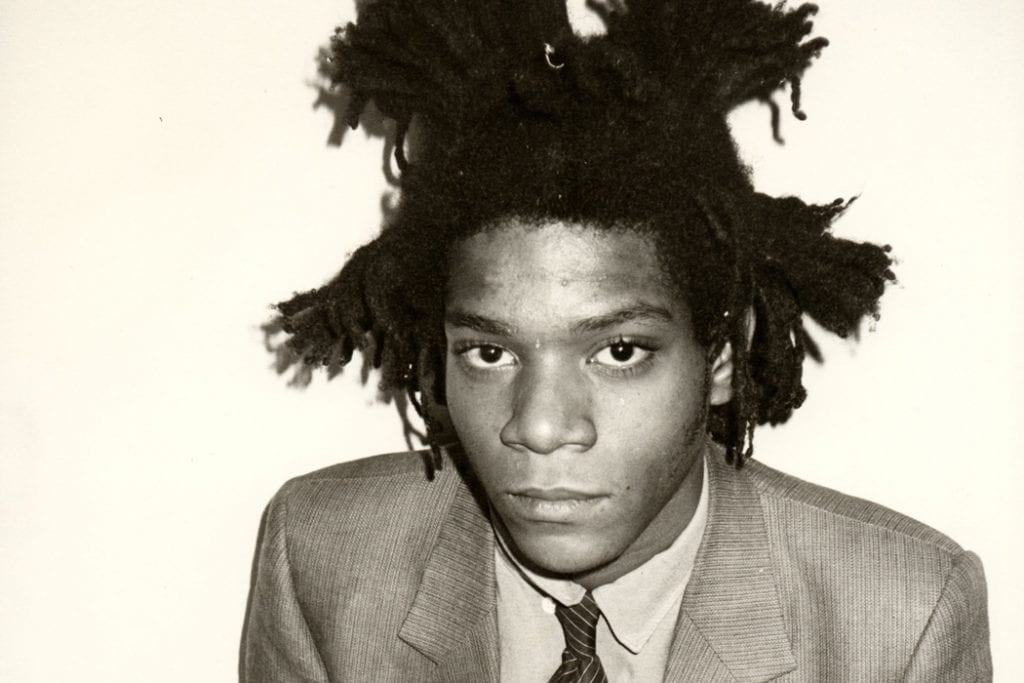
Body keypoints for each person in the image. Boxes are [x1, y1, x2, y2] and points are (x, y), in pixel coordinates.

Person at [241, 0, 992, 680]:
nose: (540, 427)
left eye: (619, 352)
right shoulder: (319, 555)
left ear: (722, 354)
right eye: (491, 353)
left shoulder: (903, 620)